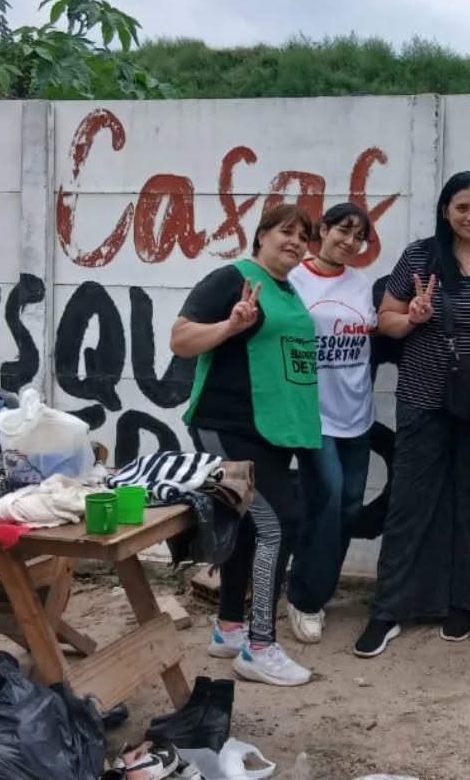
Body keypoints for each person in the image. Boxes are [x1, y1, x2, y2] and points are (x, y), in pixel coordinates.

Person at [353, 171, 470, 658]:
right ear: (445, 211)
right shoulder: (420, 256)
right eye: (462, 208)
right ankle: (389, 609)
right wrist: (412, 316)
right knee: (410, 503)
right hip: (422, 397)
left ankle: (463, 602)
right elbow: (385, 322)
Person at [170, 203, 321, 687]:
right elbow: (181, 339)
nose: (296, 242)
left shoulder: (287, 289)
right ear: (261, 236)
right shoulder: (231, 278)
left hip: (273, 427)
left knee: (252, 528)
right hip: (230, 423)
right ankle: (259, 647)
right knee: (281, 524)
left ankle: (229, 628)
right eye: (286, 232)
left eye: (304, 236)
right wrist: (230, 327)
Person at [286, 203, 377, 644]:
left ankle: (316, 581)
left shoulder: (361, 285)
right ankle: (305, 597)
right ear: (322, 230)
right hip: (313, 415)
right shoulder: (294, 279)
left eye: (359, 236)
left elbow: (377, 333)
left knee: (349, 506)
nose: (349, 241)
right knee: (329, 497)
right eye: (343, 230)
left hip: (357, 414)